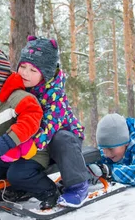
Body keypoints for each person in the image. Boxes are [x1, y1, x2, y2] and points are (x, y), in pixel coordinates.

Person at [0, 48, 60, 209]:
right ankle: (16, 191)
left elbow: (29, 121)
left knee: (19, 174)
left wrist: (8, 140)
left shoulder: (21, 98)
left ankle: (50, 192)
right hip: (6, 154)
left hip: (32, 153)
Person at [17, 36, 89, 207]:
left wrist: (34, 144)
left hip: (64, 138)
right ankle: (24, 186)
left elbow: (51, 125)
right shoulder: (20, 89)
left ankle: (78, 186)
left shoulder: (55, 93)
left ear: (45, 73)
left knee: (60, 138)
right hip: (39, 141)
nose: (25, 73)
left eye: (33, 70)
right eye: (23, 67)